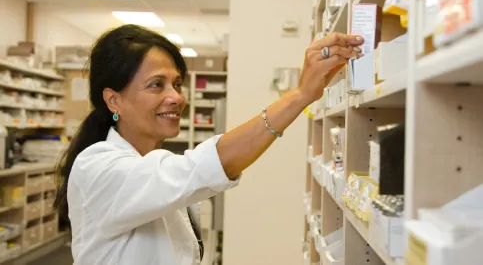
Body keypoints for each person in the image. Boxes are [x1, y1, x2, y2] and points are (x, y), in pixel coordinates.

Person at [53, 24, 363, 265]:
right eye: (156, 85)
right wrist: (300, 96)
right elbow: (202, 167)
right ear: (113, 99)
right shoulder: (97, 166)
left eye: (176, 83)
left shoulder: (155, 162)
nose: (176, 97)